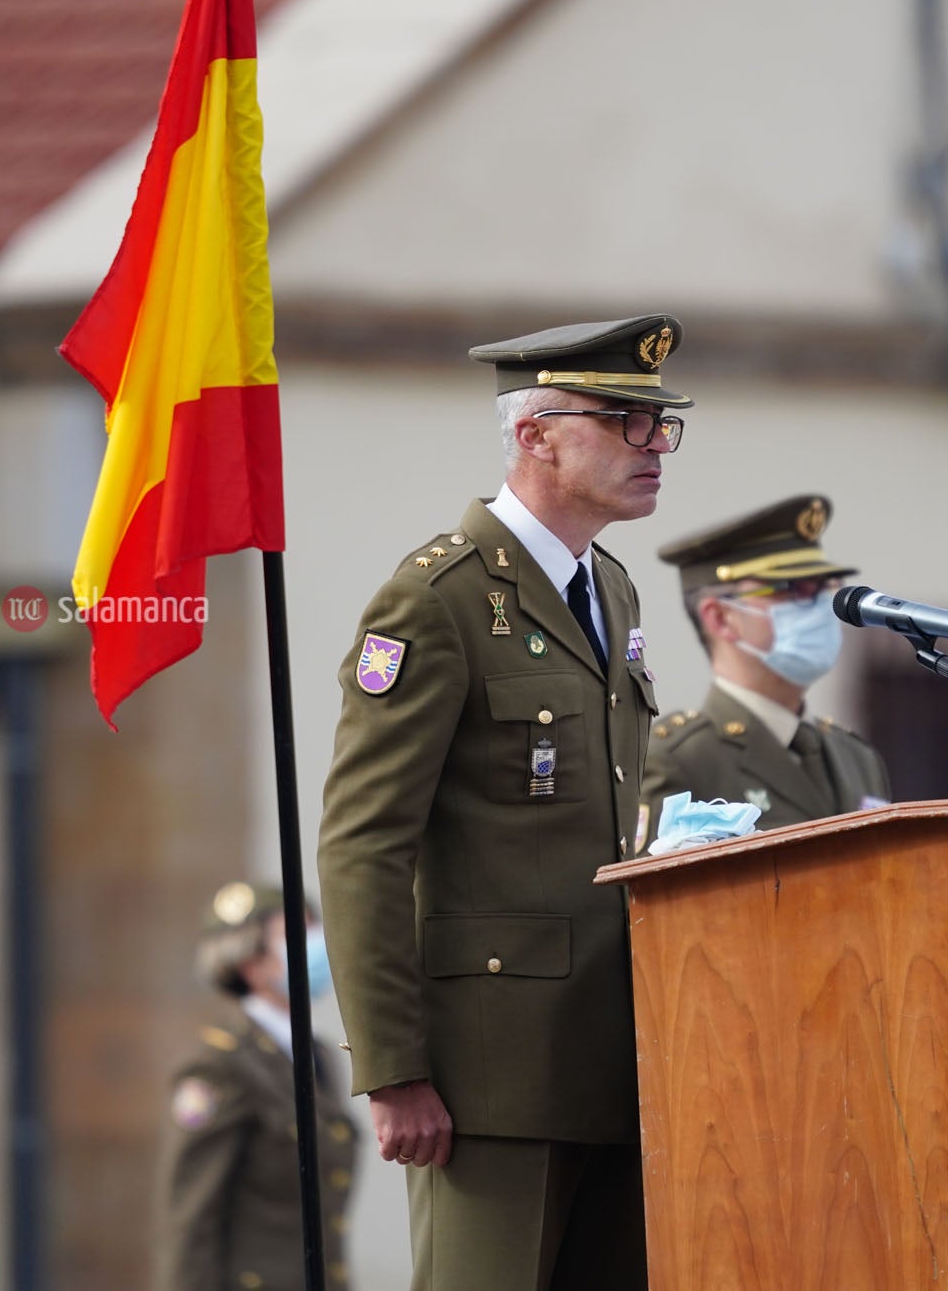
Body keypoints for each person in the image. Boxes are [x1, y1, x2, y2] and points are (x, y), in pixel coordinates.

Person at [317, 314, 691, 1291]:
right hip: (488, 1077)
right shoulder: (433, 600)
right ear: (532, 436)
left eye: (661, 426)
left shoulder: (610, 590)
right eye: (623, 422)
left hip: (614, 1057)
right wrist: (392, 1070)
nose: (652, 448)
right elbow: (362, 844)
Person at [641, 494, 889, 841]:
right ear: (721, 617)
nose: (820, 605)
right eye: (791, 589)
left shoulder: (857, 757)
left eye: (823, 588)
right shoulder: (677, 759)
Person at [155, 881, 358, 1291]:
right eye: (296, 933)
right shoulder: (220, 1066)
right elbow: (191, 1217)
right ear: (250, 961)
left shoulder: (316, 1054)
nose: (317, 944)